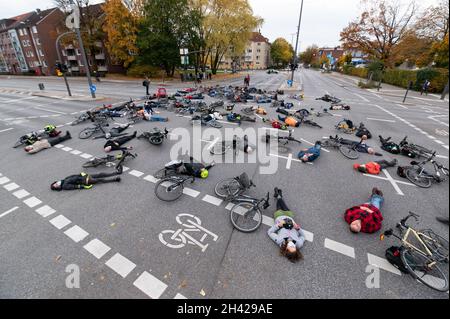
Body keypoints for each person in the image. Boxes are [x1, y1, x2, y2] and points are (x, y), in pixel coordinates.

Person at [267, 188, 305, 263]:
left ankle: (278, 195)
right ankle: (278, 195)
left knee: (279, 205)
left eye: (290, 247)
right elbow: (303, 236)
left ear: (286, 249)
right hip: (289, 217)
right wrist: (297, 228)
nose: (292, 245)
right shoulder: (299, 244)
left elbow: (270, 232)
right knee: (282, 203)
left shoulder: (279, 241)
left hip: (279, 217)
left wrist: (279, 225)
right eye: (294, 247)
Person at [51, 171, 121, 191]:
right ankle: (115, 179)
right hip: (85, 181)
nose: (56, 184)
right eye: (56, 186)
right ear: (57, 188)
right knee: (99, 180)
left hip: (84, 176)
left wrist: (81, 174)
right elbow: (75, 186)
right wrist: (84, 186)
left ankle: (116, 173)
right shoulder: (64, 186)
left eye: (55, 184)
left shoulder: (64, 179)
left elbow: (74, 175)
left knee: (100, 174)